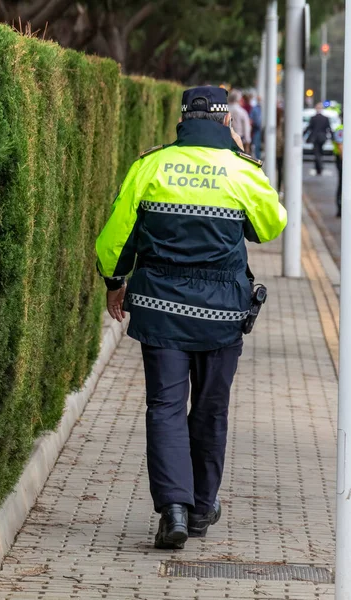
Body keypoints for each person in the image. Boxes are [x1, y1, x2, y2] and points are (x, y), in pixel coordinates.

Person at [96, 86, 287, 551]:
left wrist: (115, 283)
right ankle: (202, 507)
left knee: (164, 406)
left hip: (160, 309)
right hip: (222, 313)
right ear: (226, 123)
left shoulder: (151, 166)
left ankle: (174, 510)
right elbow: (270, 226)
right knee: (210, 408)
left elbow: (115, 239)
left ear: (182, 120)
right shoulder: (241, 172)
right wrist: (244, 161)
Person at [304, 102, 332, 175]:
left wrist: (303, 134)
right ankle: (319, 166)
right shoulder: (325, 118)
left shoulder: (313, 118)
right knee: (320, 152)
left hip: (315, 138)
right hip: (322, 138)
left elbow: (309, 128)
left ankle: (319, 166)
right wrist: (332, 137)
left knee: (316, 152)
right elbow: (329, 128)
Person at [228, 89, 252, 154]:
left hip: (225, 139)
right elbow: (246, 129)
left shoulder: (224, 110)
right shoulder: (242, 112)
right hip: (239, 140)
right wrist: (247, 145)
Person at [333, 114, 343, 217]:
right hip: (341, 161)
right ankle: (340, 208)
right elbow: (340, 147)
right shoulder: (341, 130)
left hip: (341, 160)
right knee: (342, 184)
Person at [276, 106, 285, 193]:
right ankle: (279, 189)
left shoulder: (273, 122)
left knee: (279, 170)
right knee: (280, 170)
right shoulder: (282, 124)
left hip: (277, 150)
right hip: (281, 151)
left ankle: (279, 188)